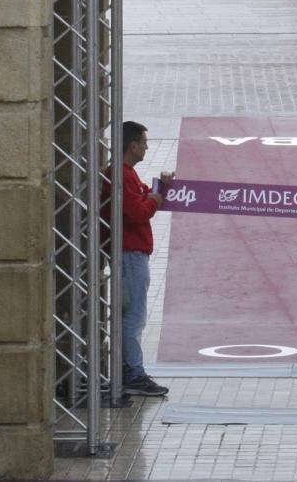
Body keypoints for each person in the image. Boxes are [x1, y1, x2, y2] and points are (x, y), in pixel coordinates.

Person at [110, 120, 175, 397]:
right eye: (145, 143)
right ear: (133, 145)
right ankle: (132, 373)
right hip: (131, 253)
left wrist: (156, 194)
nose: (147, 147)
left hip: (132, 252)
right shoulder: (121, 176)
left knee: (132, 314)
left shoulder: (125, 175)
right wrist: (157, 198)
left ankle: (129, 369)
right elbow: (136, 213)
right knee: (134, 316)